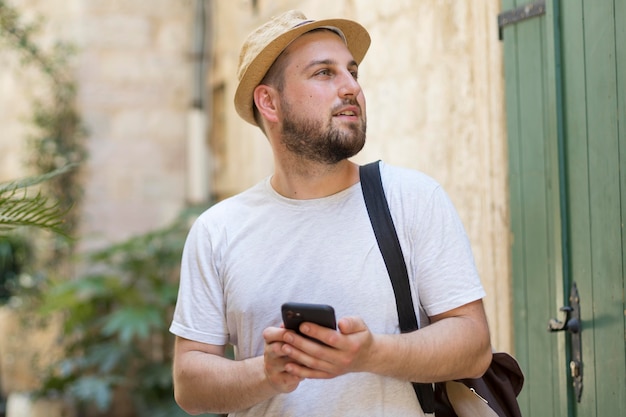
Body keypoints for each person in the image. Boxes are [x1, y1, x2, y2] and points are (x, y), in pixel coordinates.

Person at [170, 9, 492, 417]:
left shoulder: (412, 198)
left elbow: (474, 346)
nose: (351, 87)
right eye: (325, 73)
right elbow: (189, 383)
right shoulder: (217, 230)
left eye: (352, 72)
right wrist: (267, 374)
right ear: (269, 101)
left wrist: (371, 353)